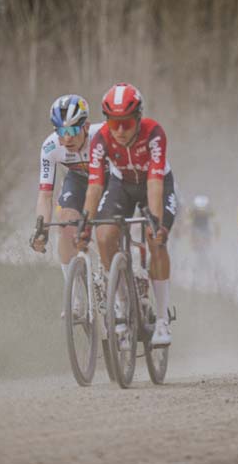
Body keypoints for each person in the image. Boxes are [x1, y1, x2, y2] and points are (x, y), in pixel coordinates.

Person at [76, 83, 178, 346]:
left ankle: (162, 321)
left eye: (127, 123)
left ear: (138, 118)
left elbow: (154, 182)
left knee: (155, 239)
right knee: (104, 236)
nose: (120, 130)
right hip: (121, 185)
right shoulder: (101, 139)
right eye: (113, 123)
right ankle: (121, 304)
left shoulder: (154, 133)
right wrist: (85, 224)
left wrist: (155, 222)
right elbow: (95, 185)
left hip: (156, 183)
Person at [28, 95, 102, 297]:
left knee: (109, 226)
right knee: (66, 223)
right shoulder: (50, 146)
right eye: (61, 131)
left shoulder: (102, 135)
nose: (67, 138)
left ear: (86, 127)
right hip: (78, 180)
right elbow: (45, 195)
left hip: (108, 179)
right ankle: (75, 298)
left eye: (72, 130)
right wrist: (41, 229)